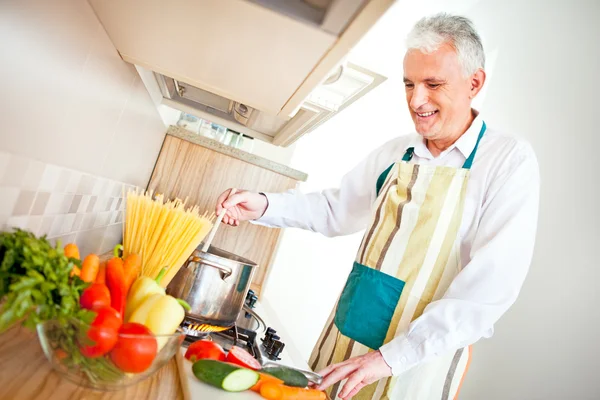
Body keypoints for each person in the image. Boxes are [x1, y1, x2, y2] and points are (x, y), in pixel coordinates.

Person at [215, 13, 539, 400]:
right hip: (343, 350)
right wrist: (263, 205)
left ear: (475, 82)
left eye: (433, 84)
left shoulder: (507, 161)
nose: (416, 100)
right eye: (409, 84)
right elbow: (336, 209)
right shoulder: (397, 152)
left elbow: (485, 294)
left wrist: (387, 359)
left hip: (415, 368)